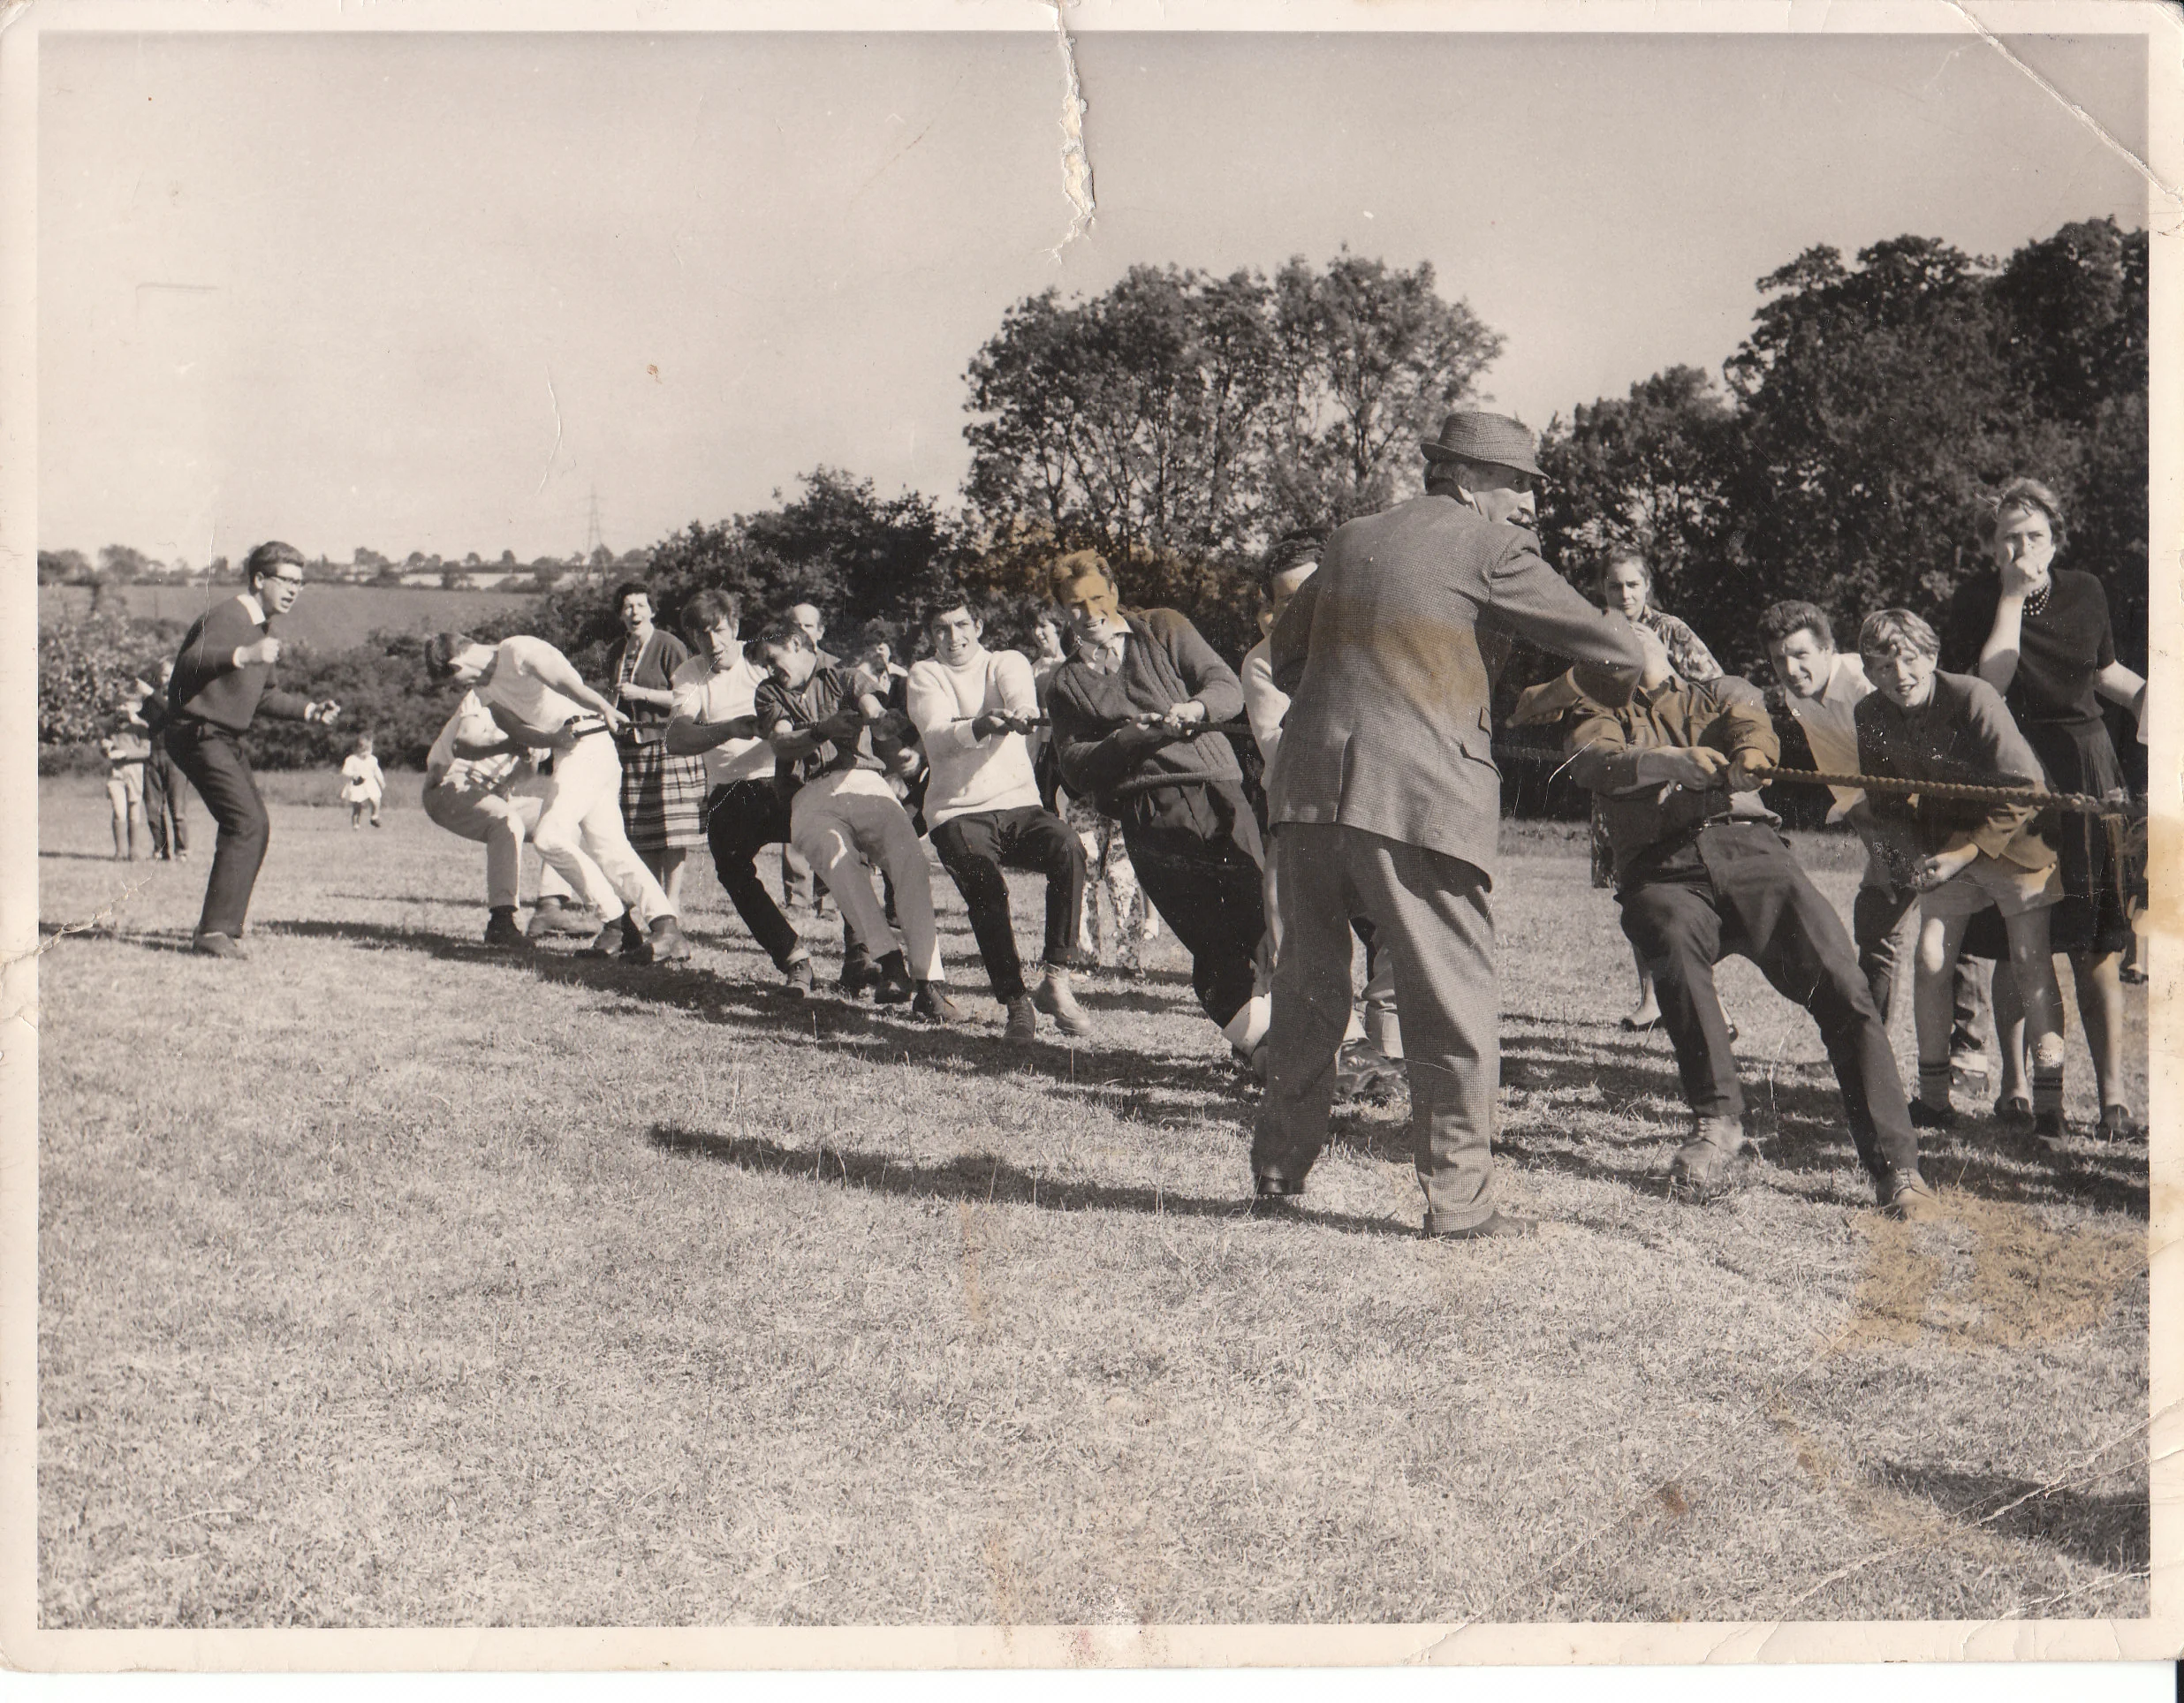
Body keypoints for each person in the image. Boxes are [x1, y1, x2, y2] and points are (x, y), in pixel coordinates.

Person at [1250, 410, 1649, 1238]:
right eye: (1519, 485)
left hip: (1307, 789)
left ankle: (1279, 1174)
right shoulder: (1493, 548)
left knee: (1307, 992)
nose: (1533, 505)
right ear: (1465, 479)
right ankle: (1461, 1209)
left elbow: (1284, 657)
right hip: (1419, 795)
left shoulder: (1351, 537)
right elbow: (1619, 652)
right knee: (1452, 1004)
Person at [1563, 633, 1937, 1218]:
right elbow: (1594, 760)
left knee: (1845, 986)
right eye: (1606, 641)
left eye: (1633, 634)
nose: (1621, 647)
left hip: (1752, 851)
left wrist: (1751, 762)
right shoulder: (1596, 712)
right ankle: (1718, 1126)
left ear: (1661, 642)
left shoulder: (1723, 690)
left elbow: (1752, 728)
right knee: (1671, 944)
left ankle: (1898, 1169)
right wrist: (1667, 762)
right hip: (1662, 871)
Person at [1969, 480, 2149, 1139]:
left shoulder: (2087, 590)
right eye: (2010, 537)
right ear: (1992, 547)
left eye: (2035, 535)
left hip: (2087, 768)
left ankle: (2113, 1102)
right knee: (2020, 943)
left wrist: (2147, 695)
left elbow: (2102, 672)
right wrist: (2012, 598)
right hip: (2016, 772)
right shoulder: (1976, 600)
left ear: (2056, 537)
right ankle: (2017, 1089)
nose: (2024, 548)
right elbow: (1990, 686)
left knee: (2098, 948)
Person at [1852, 609, 2070, 1139]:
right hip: (1947, 846)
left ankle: (2049, 1107)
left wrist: (1966, 853)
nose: (1897, 675)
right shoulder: (1870, 714)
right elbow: (1886, 803)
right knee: (1930, 960)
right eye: (1881, 666)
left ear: (1930, 656)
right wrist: (1908, 858)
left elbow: (2026, 784)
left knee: (2029, 965)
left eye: (1908, 660)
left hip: (2016, 839)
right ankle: (1933, 1100)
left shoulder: (1972, 696)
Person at [1758, 600, 1996, 1086]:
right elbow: (1846, 785)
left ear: (1828, 648)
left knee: (1950, 922)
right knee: (1876, 921)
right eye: (1779, 660)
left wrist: (1914, 847)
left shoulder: (1870, 683)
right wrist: (1885, 853)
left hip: (1941, 810)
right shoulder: (1796, 697)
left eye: (1801, 654)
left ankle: (1970, 1056)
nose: (1791, 669)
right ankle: (1868, 1049)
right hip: (1890, 817)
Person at [1045, 549, 1269, 1059]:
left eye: (1098, 598)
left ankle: (1290, 1041)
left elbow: (1226, 687)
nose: (1090, 612)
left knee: (1261, 919)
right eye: (1075, 605)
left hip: (1219, 791)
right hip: (1147, 812)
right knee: (1207, 935)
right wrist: (1124, 742)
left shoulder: (1163, 628)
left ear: (1115, 591)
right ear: (1061, 609)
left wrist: (1195, 707)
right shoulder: (1063, 684)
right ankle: (1264, 1048)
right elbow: (1075, 767)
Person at [1240, 530, 1401, 1090]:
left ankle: (1389, 1051)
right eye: (1288, 600)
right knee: (1304, 942)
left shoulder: (1372, 644)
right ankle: (1338, 1053)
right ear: (1272, 610)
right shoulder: (1263, 663)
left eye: (1314, 590)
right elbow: (1279, 746)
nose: (1304, 607)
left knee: (1396, 928)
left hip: (1369, 811)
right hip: (1301, 815)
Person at [422, 630, 692, 964]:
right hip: (572, 749)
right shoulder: (483, 688)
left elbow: (570, 684)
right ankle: (666, 930)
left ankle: (617, 924)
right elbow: (516, 729)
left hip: (589, 743)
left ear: (455, 662)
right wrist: (552, 739)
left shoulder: (518, 649)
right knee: (610, 848)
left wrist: (604, 707)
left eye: (452, 680)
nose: (456, 688)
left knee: (550, 837)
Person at [752, 618, 960, 1020]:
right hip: (808, 793)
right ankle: (889, 962)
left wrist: (886, 723)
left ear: (796, 643)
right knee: (837, 860)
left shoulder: (847, 677)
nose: (769, 670)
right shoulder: (769, 692)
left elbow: (876, 713)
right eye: (764, 664)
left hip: (863, 780)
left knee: (910, 861)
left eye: (773, 659)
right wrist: (822, 730)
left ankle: (931, 983)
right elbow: (782, 743)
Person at [906, 595, 1091, 1042]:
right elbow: (936, 736)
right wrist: (984, 725)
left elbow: (1020, 695)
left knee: (1068, 847)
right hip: (956, 812)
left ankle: (1055, 979)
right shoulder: (923, 674)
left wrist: (1023, 713)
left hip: (1019, 803)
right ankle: (1015, 1002)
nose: (954, 638)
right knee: (986, 887)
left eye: (962, 625)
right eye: (942, 630)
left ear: (980, 625)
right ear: (931, 637)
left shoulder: (1007, 660)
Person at [163, 541, 343, 958]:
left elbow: (266, 696)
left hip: (221, 737)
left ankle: (220, 929)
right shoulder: (231, 616)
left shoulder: (261, 628)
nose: (295, 590)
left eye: (300, 583)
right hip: (198, 731)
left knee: (254, 824)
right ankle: (214, 932)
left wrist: (311, 711)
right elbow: (190, 660)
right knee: (246, 823)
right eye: (286, 580)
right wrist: (243, 654)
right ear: (259, 579)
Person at [664, 589, 821, 994]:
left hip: (786, 778)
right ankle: (793, 957)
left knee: (839, 848)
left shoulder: (762, 658)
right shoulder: (689, 673)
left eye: (719, 631)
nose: (713, 643)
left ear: (735, 626)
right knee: (731, 867)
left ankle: (866, 957)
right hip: (730, 791)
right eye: (701, 635)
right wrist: (731, 728)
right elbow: (678, 738)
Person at [1595, 549, 1724, 1030]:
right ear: (1602, 589)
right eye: (1614, 586)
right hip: (1620, 773)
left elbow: (1714, 688)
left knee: (1681, 887)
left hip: (1673, 774)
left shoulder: (1672, 630)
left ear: (1647, 586)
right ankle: (1650, 1000)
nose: (1624, 595)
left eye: (1633, 585)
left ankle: (1705, 1001)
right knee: (1631, 886)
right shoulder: (1596, 633)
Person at [420, 688, 598, 948]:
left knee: (563, 816)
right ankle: (501, 922)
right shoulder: (486, 695)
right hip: (448, 785)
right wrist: (511, 743)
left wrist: (528, 755)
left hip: (495, 794)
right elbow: (464, 742)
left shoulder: (542, 717)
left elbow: (528, 773)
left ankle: (549, 909)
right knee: (507, 821)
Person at [603, 582, 705, 934]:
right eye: (627, 606)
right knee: (641, 831)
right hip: (630, 746)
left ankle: (672, 901)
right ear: (620, 613)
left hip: (665, 742)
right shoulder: (617, 649)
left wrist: (643, 693)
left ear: (652, 610)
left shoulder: (667, 644)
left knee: (671, 830)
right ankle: (654, 903)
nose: (634, 612)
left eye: (640, 606)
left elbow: (687, 694)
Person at [778, 601, 838, 919]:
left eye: (808, 626)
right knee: (796, 833)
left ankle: (828, 901)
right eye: (795, 625)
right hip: (796, 763)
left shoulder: (835, 669)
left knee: (833, 833)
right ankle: (798, 900)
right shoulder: (779, 672)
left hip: (831, 763)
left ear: (820, 631)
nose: (801, 633)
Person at [137, 659, 191, 861]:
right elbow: (144, 720)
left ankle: (182, 851)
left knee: (177, 810)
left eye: (171, 675)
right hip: (152, 756)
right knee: (153, 808)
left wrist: (151, 693)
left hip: (176, 757)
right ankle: (161, 849)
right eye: (164, 675)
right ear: (158, 676)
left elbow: (173, 712)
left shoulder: (182, 696)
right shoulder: (151, 700)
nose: (167, 679)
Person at [101, 716, 150, 859]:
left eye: (127, 704)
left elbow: (146, 751)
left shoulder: (141, 728)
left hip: (135, 772)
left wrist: (125, 754)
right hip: (116, 773)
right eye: (121, 704)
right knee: (119, 811)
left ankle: (133, 851)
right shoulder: (111, 728)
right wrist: (105, 749)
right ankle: (120, 851)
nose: (123, 708)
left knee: (134, 810)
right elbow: (106, 753)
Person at [339, 734, 386, 829]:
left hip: (370, 783)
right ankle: (356, 825)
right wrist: (352, 774)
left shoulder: (373, 760)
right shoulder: (352, 759)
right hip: (357, 785)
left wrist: (381, 781)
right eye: (363, 750)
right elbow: (345, 771)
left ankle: (374, 817)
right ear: (357, 749)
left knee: (376, 799)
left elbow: (377, 771)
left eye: (369, 750)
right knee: (357, 807)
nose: (366, 753)